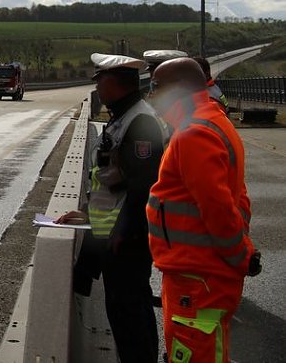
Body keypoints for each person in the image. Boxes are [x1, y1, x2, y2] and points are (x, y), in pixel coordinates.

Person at [147, 58, 260, 363]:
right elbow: (239, 198)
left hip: (199, 277)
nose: (151, 95)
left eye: (155, 86)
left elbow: (219, 208)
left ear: (178, 89)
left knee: (197, 354)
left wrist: (239, 257)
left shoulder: (194, 132)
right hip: (198, 273)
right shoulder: (210, 120)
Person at [58, 53, 168, 363]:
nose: (97, 87)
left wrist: (124, 231)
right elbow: (110, 182)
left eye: (100, 80)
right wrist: (88, 215)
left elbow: (142, 185)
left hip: (126, 241)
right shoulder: (124, 116)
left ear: (115, 83)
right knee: (124, 316)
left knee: (131, 317)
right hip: (112, 235)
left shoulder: (140, 121)